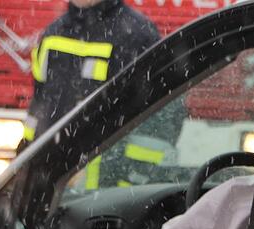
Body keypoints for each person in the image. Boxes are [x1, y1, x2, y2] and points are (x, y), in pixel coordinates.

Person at [23, 0, 160, 144]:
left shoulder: (139, 37)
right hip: (53, 163)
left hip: (105, 163)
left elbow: (151, 122)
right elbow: (39, 106)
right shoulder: (54, 34)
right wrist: (26, 155)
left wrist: (120, 164)